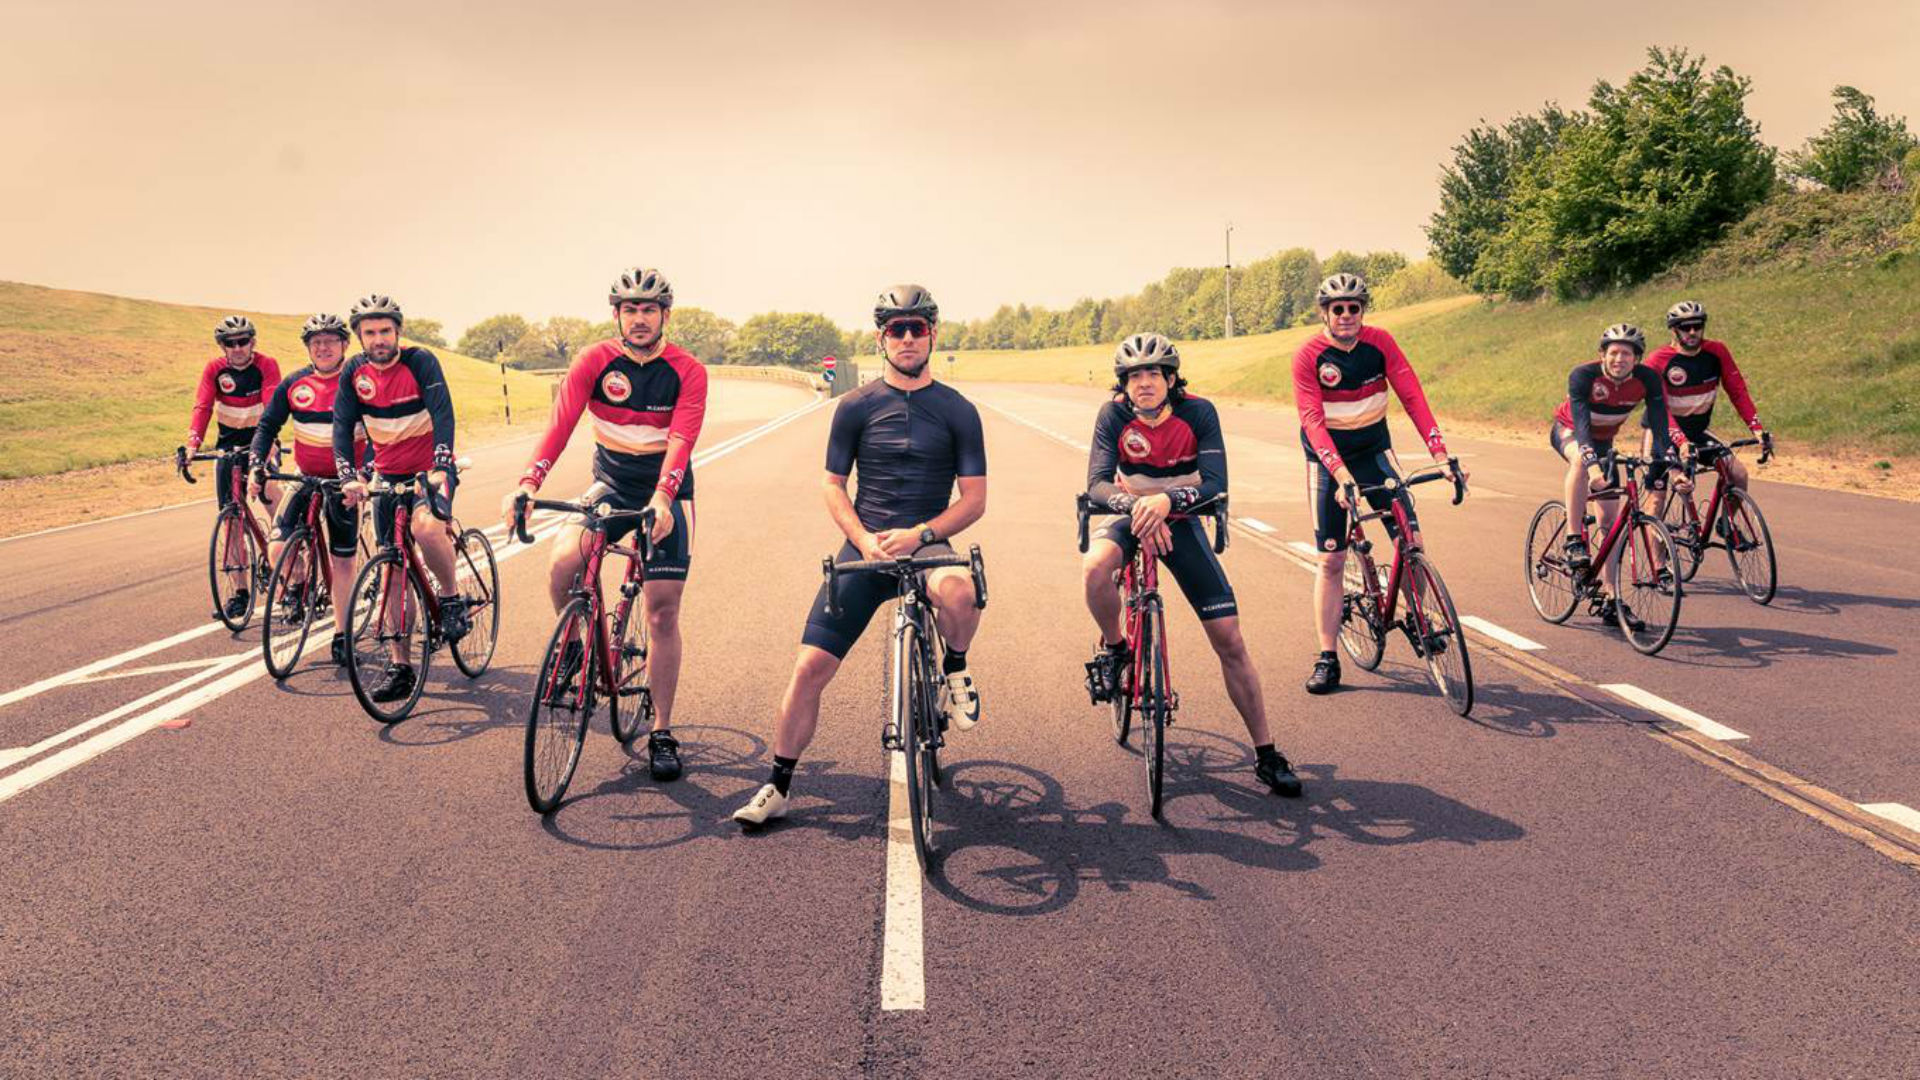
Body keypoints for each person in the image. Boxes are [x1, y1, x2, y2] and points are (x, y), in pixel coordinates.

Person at [733, 284, 986, 827]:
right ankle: (777, 785)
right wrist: (866, 539)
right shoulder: (854, 407)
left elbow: (975, 500)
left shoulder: (959, 410)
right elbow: (831, 485)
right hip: (865, 548)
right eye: (898, 329)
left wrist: (921, 534)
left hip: (926, 543)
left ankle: (956, 671)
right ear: (881, 339)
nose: (909, 338)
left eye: (918, 328)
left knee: (962, 593)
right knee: (808, 668)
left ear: (933, 335)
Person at [503, 268, 707, 782]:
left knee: (662, 615)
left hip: (665, 489)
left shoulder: (687, 370)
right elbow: (560, 425)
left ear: (665, 315)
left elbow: (680, 443)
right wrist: (529, 482)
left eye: (649, 310)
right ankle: (575, 647)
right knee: (562, 562)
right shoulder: (595, 360)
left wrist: (663, 498)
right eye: (630, 310)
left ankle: (661, 730)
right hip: (611, 486)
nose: (640, 319)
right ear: (616, 313)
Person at [1082, 333, 1302, 796]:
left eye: (1153, 374)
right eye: (1134, 376)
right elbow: (1098, 485)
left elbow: (1216, 485)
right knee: (1095, 566)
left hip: (1181, 520)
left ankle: (1266, 753)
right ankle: (1116, 645)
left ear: (1170, 378)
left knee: (1230, 640)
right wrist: (1138, 509)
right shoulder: (1112, 415)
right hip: (1132, 515)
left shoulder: (1198, 412)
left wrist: (1166, 501)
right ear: (1122, 383)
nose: (1144, 383)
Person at [1292, 273, 1463, 695]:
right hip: (1327, 457)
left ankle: (1418, 616)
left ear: (1363, 311)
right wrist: (1340, 475)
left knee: (1412, 540)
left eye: (1354, 308)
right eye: (1338, 309)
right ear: (1325, 313)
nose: (1346, 315)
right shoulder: (1308, 356)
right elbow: (1312, 421)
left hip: (1373, 451)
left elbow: (1413, 398)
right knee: (1331, 561)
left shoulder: (1380, 343)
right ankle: (1327, 657)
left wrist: (1441, 455)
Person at [331, 294, 463, 703]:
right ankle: (401, 665)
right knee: (393, 570)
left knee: (425, 529)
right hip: (387, 476)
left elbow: (443, 413)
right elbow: (342, 423)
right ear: (359, 337)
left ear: (398, 332)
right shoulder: (354, 370)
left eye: (385, 330)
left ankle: (451, 598)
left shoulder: (420, 361)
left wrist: (441, 466)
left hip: (429, 471)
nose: (378, 339)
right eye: (369, 332)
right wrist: (348, 476)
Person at [250, 314, 369, 666]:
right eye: (316, 341)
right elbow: (268, 425)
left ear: (345, 345)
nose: (323, 347)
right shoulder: (295, 384)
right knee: (276, 549)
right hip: (305, 476)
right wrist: (258, 464)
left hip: (344, 481)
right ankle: (301, 584)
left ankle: (342, 635)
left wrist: (362, 475)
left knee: (341, 561)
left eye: (330, 340)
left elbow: (379, 431)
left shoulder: (360, 383)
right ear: (308, 348)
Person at [1548, 323, 1682, 631]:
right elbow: (1581, 428)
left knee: (1611, 526)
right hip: (1570, 432)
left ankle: (1611, 599)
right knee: (1582, 461)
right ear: (1602, 355)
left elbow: (1661, 430)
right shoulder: (1583, 376)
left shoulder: (1648, 378)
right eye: (1614, 352)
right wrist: (1594, 467)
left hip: (1606, 442)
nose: (1620, 359)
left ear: (1637, 358)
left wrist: (1672, 465)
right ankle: (1573, 540)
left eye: (1627, 353)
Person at [183, 315, 283, 619]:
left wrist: (267, 447)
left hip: (261, 441)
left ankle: (289, 560)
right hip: (228, 446)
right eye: (231, 343)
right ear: (223, 346)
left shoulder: (266, 365)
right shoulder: (215, 370)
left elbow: (271, 406)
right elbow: (203, 406)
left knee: (271, 500)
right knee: (231, 520)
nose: (238, 347)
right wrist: (192, 446)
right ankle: (240, 593)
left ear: (252, 342)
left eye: (243, 341)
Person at [1645, 300, 1773, 492]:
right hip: (1662, 433)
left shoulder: (1717, 352)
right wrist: (1681, 442)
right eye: (1685, 327)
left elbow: (1738, 392)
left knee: (1738, 475)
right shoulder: (1657, 361)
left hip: (1696, 431)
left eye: (1698, 326)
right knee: (1664, 494)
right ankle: (1653, 523)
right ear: (1673, 330)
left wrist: (1757, 430)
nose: (1692, 332)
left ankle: (1726, 522)